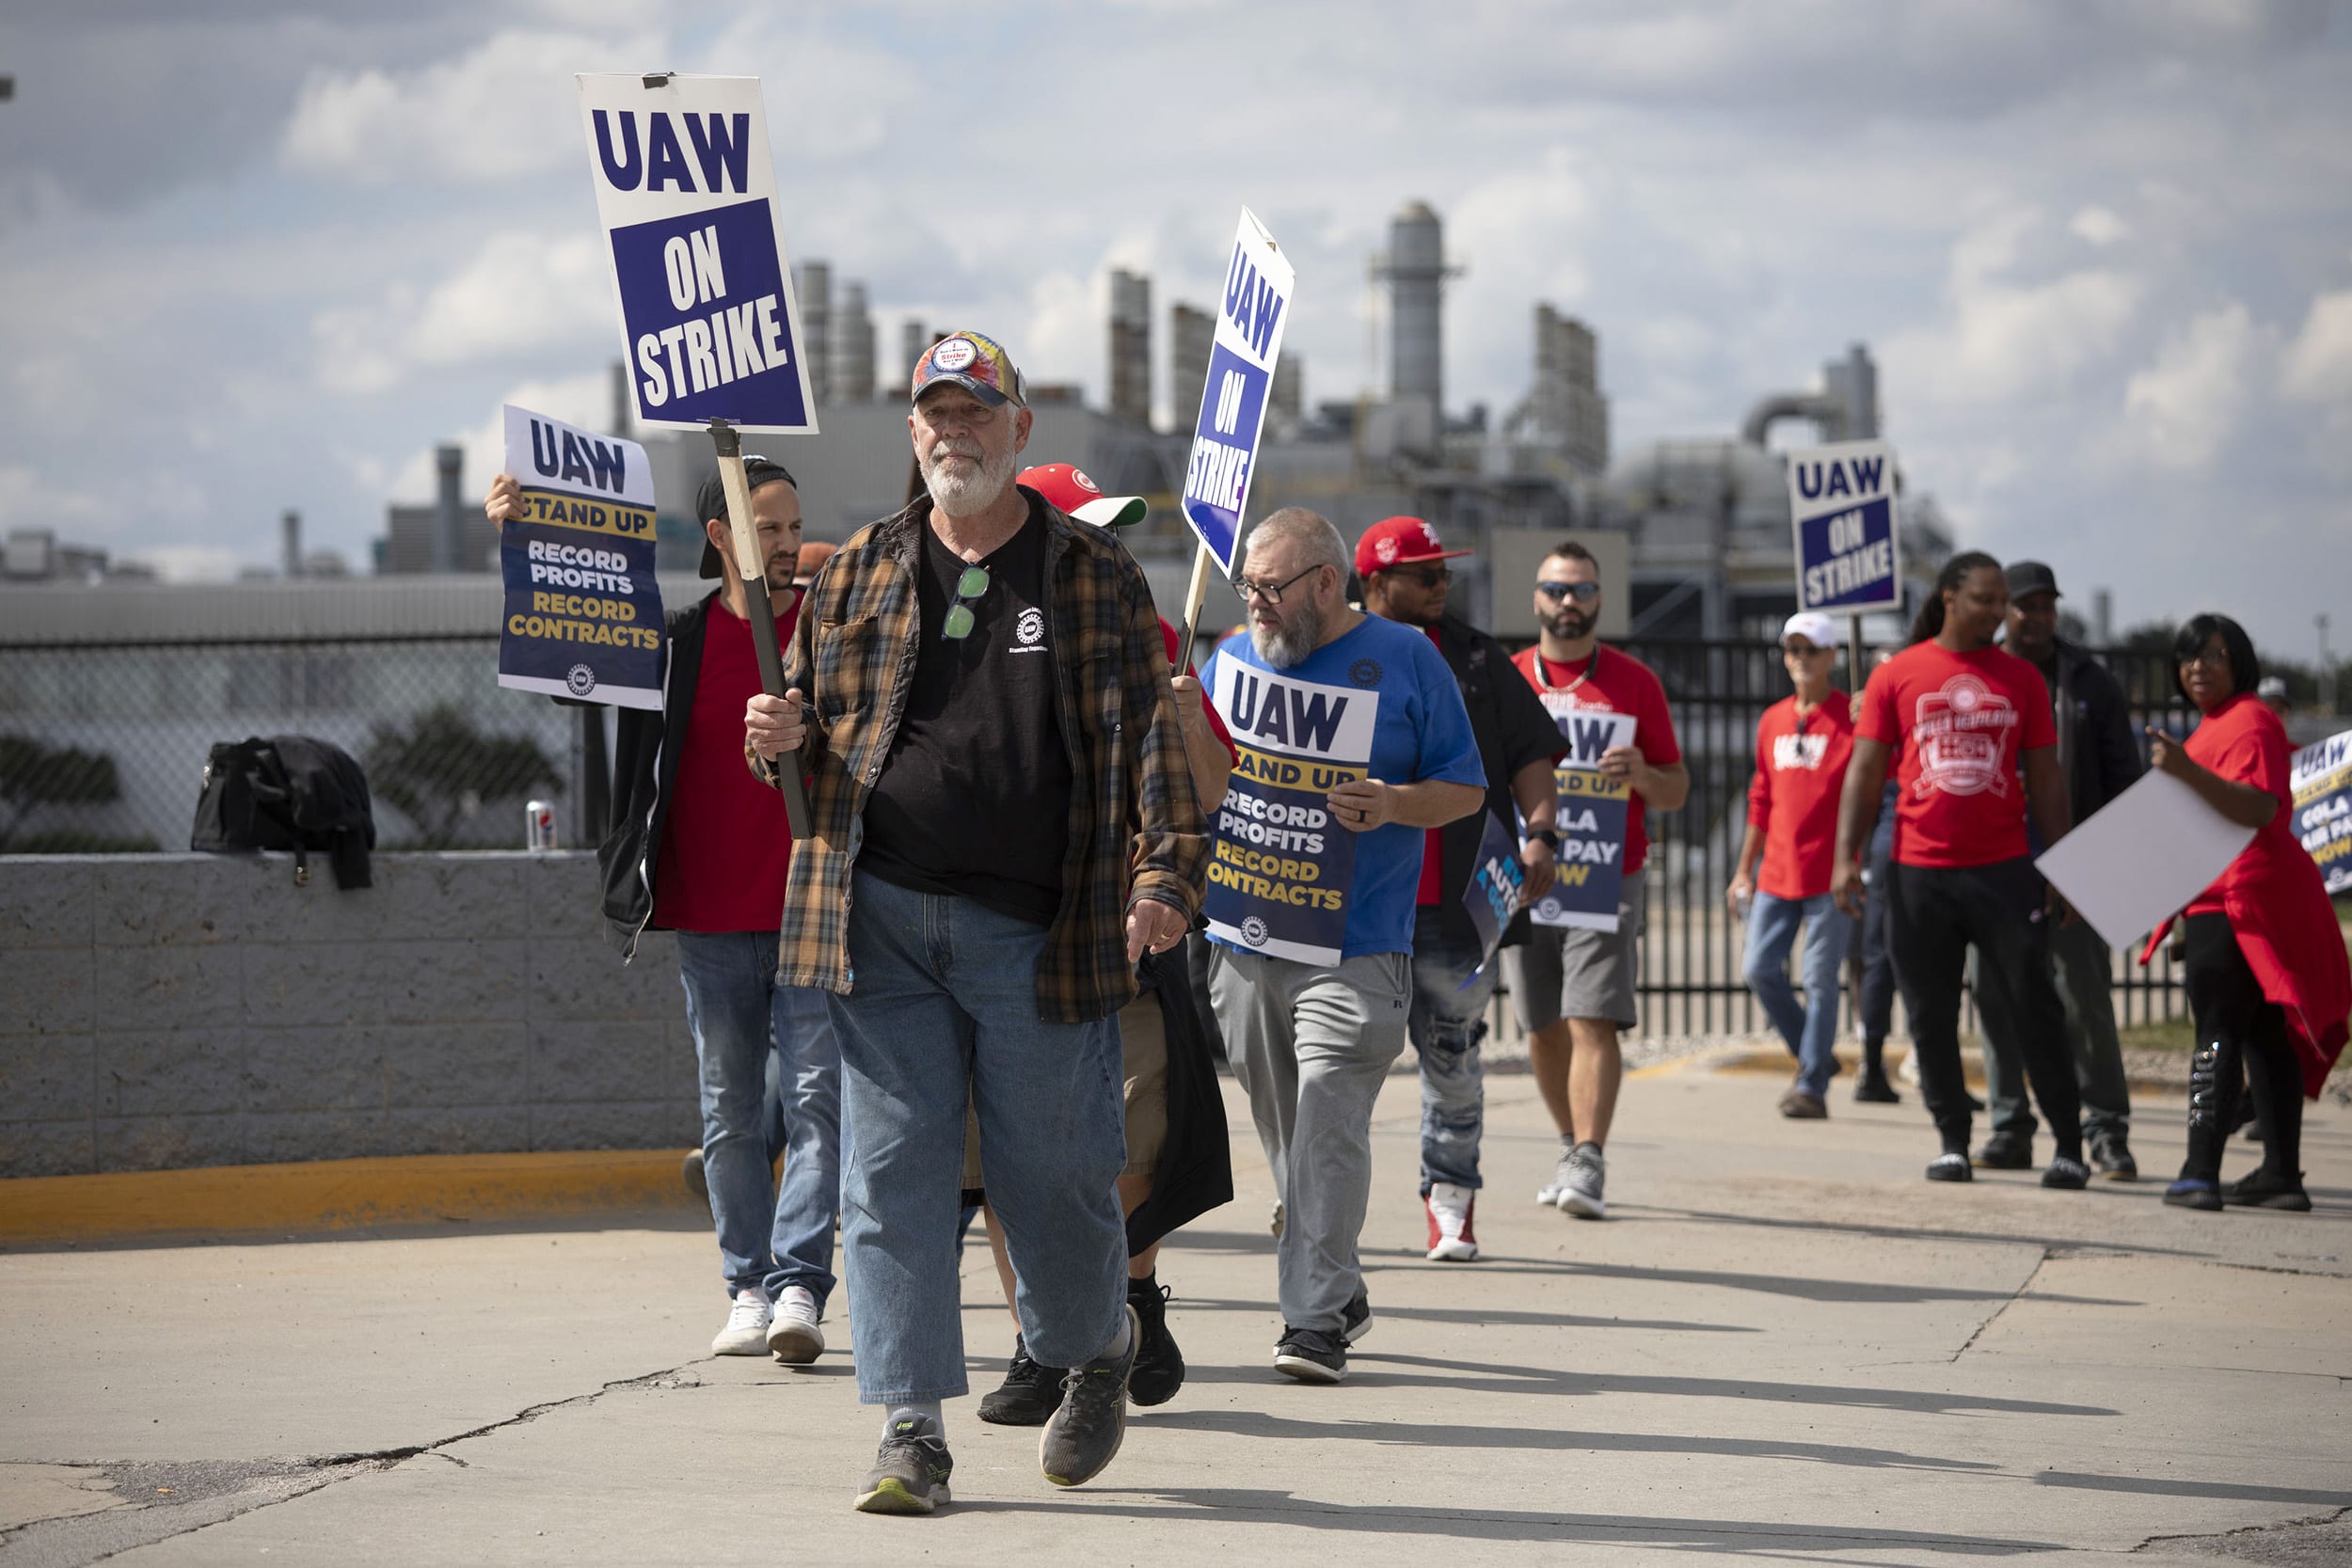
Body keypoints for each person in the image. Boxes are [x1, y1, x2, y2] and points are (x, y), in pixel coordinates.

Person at [742, 330, 1206, 1513]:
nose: (955, 430)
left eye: (977, 411)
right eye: (934, 413)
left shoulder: (1093, 574)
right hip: (877, 919)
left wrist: (1164, 879)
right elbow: (799, 735)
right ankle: (910, 1429)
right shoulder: (853, 574)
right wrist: (774, 741)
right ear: (913, 433)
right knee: (890, 1177)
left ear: (1019, 429)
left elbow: (1152, 746)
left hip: (1041, 932)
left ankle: (1094, 1345)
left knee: (1050, 1177)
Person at [485, 459, 842, 1366]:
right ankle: (747, 1287)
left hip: (812, 909)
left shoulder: (828, 633)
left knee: (815, 1104)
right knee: (728, 1110)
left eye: (795, 525)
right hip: (710, 917)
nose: (790, 542)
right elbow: (571, 640)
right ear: (720, 537)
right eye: (769, 528)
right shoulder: (673, 642)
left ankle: (800, 1281)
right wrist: (519, 539)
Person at [970, 461, 1237, 1426]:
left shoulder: (1150, 632)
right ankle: (1039, 1342)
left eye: (1111, 526)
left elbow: (1208, 790)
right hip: (1008, 935)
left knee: (1127, 1136)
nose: (1104, 541)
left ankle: (1128, 1292)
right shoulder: (972, 630)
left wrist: (1174, 703)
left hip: (1126, 934)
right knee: (1006, 1154)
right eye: (1088, 524)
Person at [1204, 507, 1486, 1382]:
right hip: (1245, 939)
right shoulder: (1230, 656)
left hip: (1357, 945)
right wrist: (1185, 723)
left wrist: (1396, 803)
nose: (1255, 602)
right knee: (1287, 1133)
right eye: (1246, 585)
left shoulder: (1407, 660)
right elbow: (1206, 788)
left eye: (1271, 587)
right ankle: (1340, 1276)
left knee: (1327, 1106)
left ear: (1325, 583)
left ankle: (1313, 1320)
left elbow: (1465, 789)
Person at [1831, 551, 2090, 1188]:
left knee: (2033, 1004)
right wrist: (1846, 856)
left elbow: (2048, 779)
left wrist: (2061, 865)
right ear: (1949, 597)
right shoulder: (1898, 674)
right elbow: (1864, 773)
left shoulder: (2023, 678)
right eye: (1985, 599)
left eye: (2002, 600)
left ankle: (2069, 1145)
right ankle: (1953, 1140)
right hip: (1919, 874)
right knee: (1930, 1011)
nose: (1998, 611)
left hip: (2003, 871)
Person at [1355, 515, 1562, 1262]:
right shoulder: (1333, 650)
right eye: (1427, 575)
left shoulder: (1476, 658)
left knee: (1453, 1051)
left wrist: (1541, 832)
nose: (1444, 586)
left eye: (1446, 574)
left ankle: (1450, 1200)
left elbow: (1531, 754)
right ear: (1377, 582)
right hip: (1356, 899)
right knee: (1339, 1057)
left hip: (1454, 902)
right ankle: (1313, 1193)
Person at [1503, 540, 1688, 1220]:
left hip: (1608, 873)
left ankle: (1589, 1155)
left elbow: (1676, 790)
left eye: (1580, 590)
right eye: (1556, 589)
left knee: (1592, 1015)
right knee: (1541, 1022)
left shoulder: (1636, 682)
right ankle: (1567, 1144)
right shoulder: (1513, 674)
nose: (1568, 602)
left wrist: (1642, 773)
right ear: (1537, 599)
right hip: (1527, 874)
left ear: (1600, 599)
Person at [2151, 615, 2350, 1212]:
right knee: (2267, 1037)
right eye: (2188, 659)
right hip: (2240, 896)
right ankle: (2281, 1175)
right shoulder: (2217, 726)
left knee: (2215, 1035)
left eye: (2212, 656)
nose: (2197, 669)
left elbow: (2261, 807)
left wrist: (2184, 772)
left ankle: (2198, 1170)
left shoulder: (2249, 720)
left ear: (2238, 660)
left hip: (2239, 898)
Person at [1968, 562, 2142, 1178]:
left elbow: (2126, 777)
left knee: (2084, 997)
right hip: (1994, 864)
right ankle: (2010, 1126)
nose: (2038, 617)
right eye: (2026, 605)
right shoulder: (1979, 674)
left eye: (2048, 606)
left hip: (2079, 864)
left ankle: (2105, 1129)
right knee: (1993, 993)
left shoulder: (2089, 680)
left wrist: (2112, 862)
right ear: (2002, 611)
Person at [1727, 611, 1856, 1119]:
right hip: (1777, 874)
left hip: (1832, 875)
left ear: (1832, 657)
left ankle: (1810, 1084)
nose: (1800, 659)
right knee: (1759, 969)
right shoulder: (1773, 719)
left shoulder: (1854, 717)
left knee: (1821, 979)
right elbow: (1760, 799)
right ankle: (1816, 1055)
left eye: (1811, 650)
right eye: (1792, 649)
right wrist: (1744, 869)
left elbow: (1880, 786)